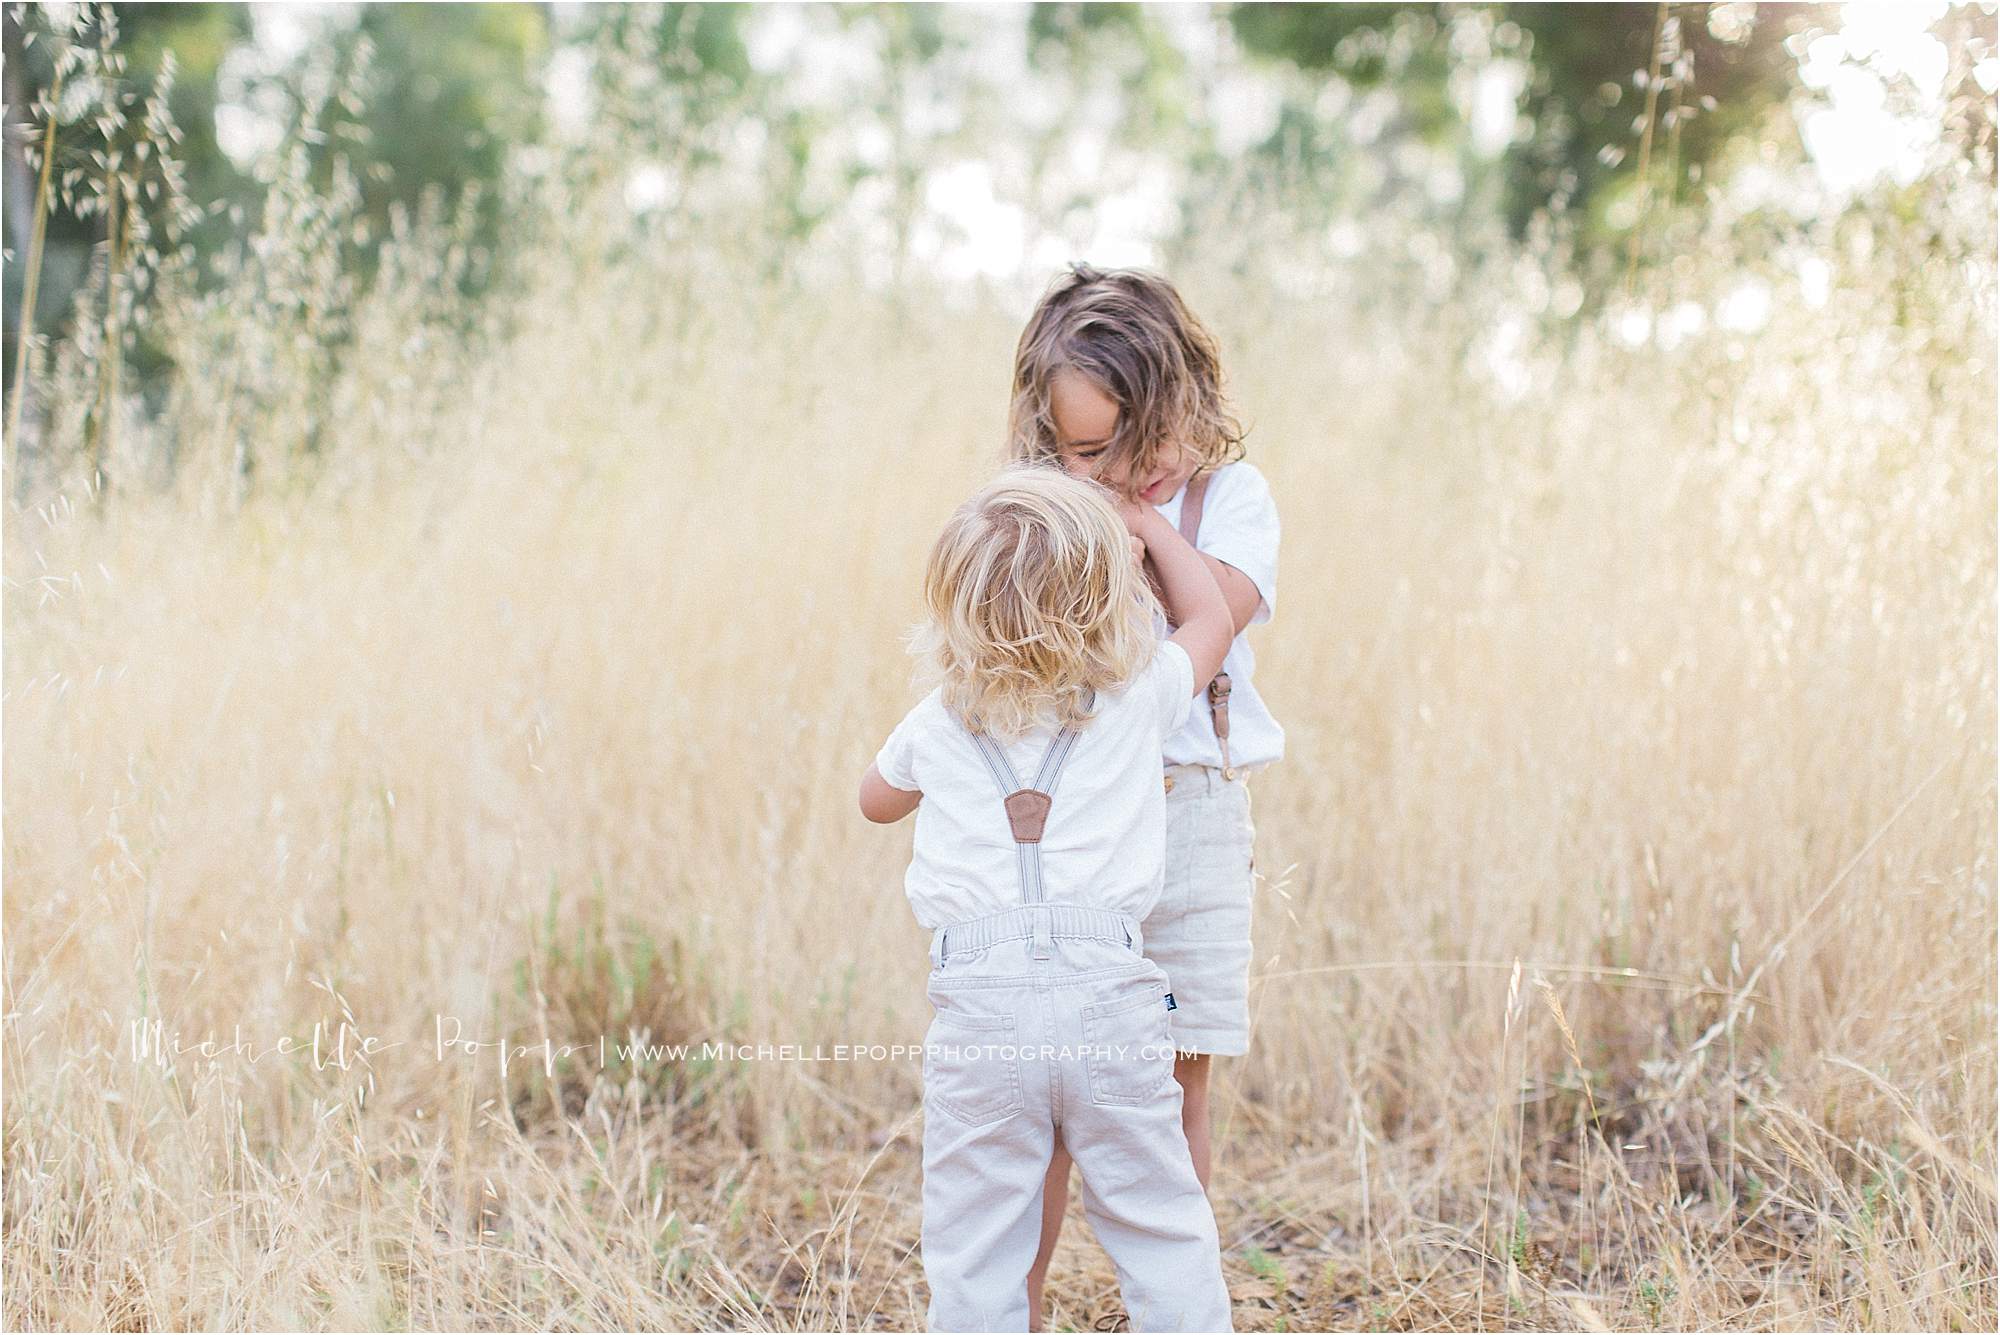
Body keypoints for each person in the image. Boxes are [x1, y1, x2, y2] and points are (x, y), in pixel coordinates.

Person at [860, 464, 1235, 1332]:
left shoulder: (936, 720)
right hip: (1113, 1003)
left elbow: (872, 800)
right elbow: (1212, 616)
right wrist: (1145, 521)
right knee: (1160, 1225)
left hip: (981, 1019)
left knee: (976, 1242)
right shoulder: (1137, 699)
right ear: (1107, 598)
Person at [1006, 263, 1284, 1327]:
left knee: (1177, 1078)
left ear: (1191, 403)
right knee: (1049, 1079)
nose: (1122, 474)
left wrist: (1140, 521)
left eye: (1142, 442)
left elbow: (1215, 609)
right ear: (1046, 446)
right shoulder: (1041, 517)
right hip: (1076, 819)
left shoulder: (1229, 499)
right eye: (1086, 454)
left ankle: (1172, 1307)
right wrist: (1070, 514)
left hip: (1196, 813)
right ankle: (1010, 1307)